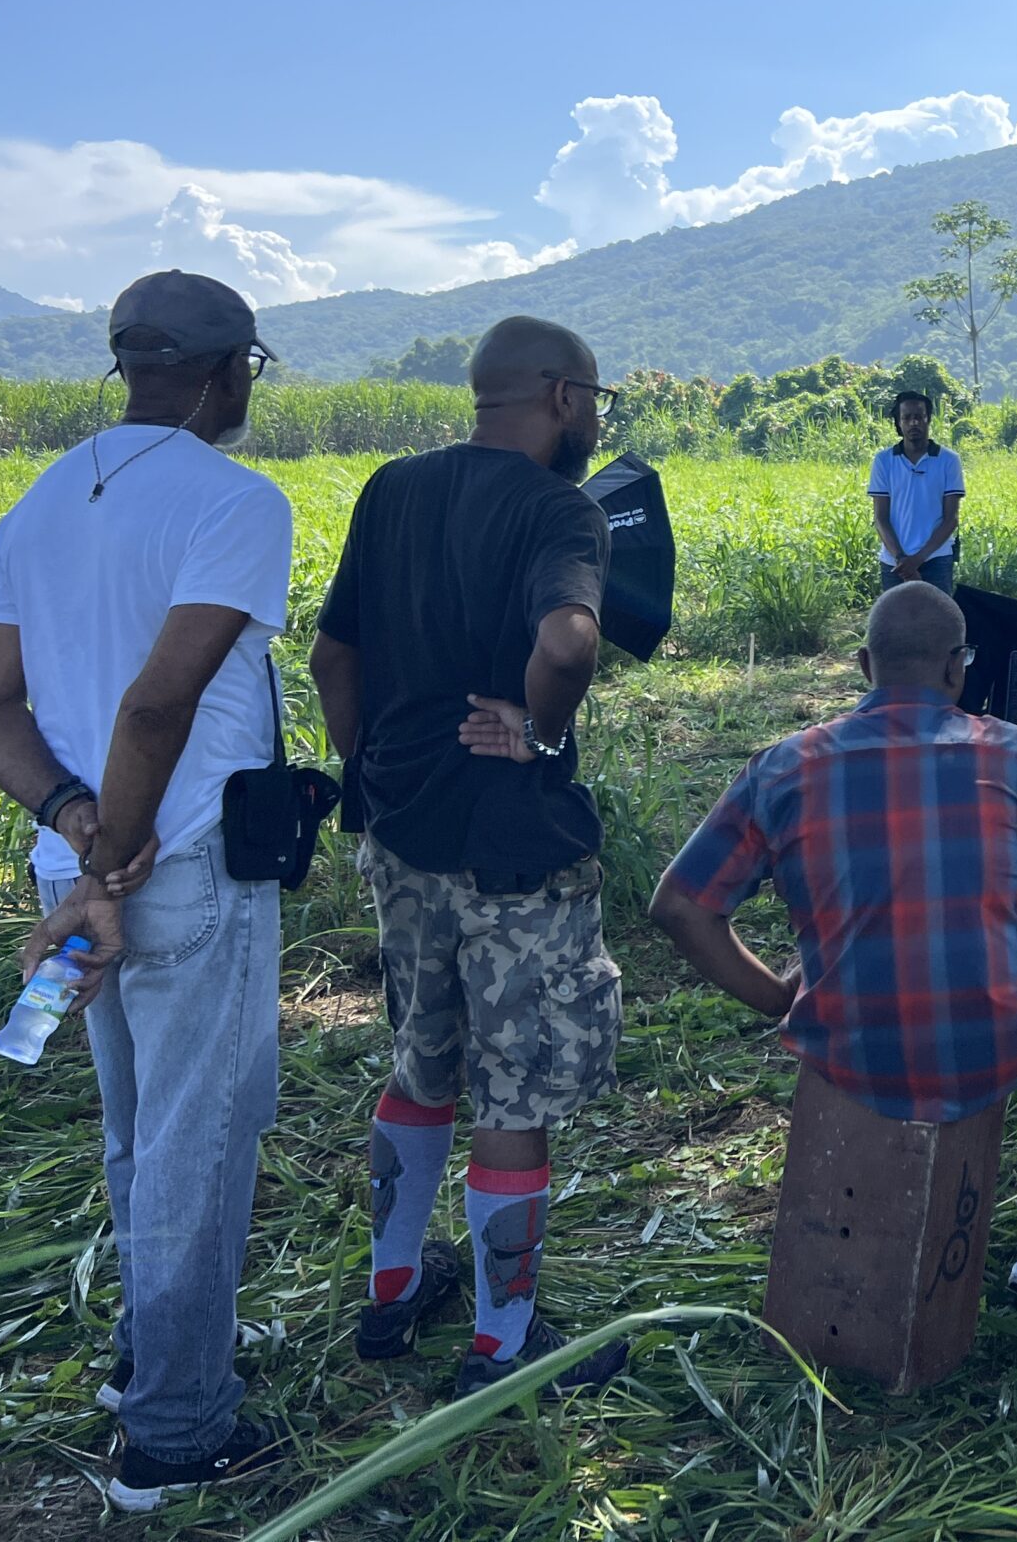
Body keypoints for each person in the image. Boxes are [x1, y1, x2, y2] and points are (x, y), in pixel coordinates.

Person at [0, 271, 293, 1511]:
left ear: (128, 366)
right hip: (176, 867)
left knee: (141, 1133)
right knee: (201, 1138)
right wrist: (109, 861)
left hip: (87, 861)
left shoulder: (43, 501)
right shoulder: (237, 503)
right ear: (225, 373)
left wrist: (71, 820)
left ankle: (150, 1363)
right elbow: (158, 701)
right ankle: (179, 1434)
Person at [308, 316, 629, 1400]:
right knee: (513, 1091)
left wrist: (375, 772)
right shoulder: (560, 509)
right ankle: (503, 1340)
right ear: (563, 399)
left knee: (419, 1063)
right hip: (509, 852)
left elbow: (331, 654)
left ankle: (392, 1291)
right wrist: (538, 730)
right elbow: (570, 640)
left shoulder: (392, 488)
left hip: (401, 838)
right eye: (595, 400)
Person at [650, 582, 1017, 1299]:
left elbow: (680, 907)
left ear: (863, 665)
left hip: (846, 1048)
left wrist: (779, 998)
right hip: (993, 1043)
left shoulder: (782, 765)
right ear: (956, 668)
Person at [869, 390, 965, 594]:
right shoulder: (884, 461)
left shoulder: (948, 460)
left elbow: (951, 519)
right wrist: (902, 560)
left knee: (938, 621)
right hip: (894, 562)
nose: (914, 423)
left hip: (936, 559)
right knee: (896, 623)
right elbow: (880, 518)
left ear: (928, 419)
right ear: (898, 422)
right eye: (907, 418)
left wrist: (918, 559)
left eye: (919, 417)